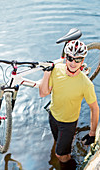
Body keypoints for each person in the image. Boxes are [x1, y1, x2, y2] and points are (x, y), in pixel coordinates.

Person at [39, 40, 99, 170]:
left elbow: (94, 108)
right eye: (70, 58)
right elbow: (43, 93)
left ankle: (69, 165)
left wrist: (92, 132)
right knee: (58, 144)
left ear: (82, 61)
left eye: (77, 60)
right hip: (53, 116)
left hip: (68, 123)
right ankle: (67, 150)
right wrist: (46, 73)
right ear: (66, 57)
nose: (73, 63)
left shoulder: (86, 84)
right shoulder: (56, 69)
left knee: (60, 155)